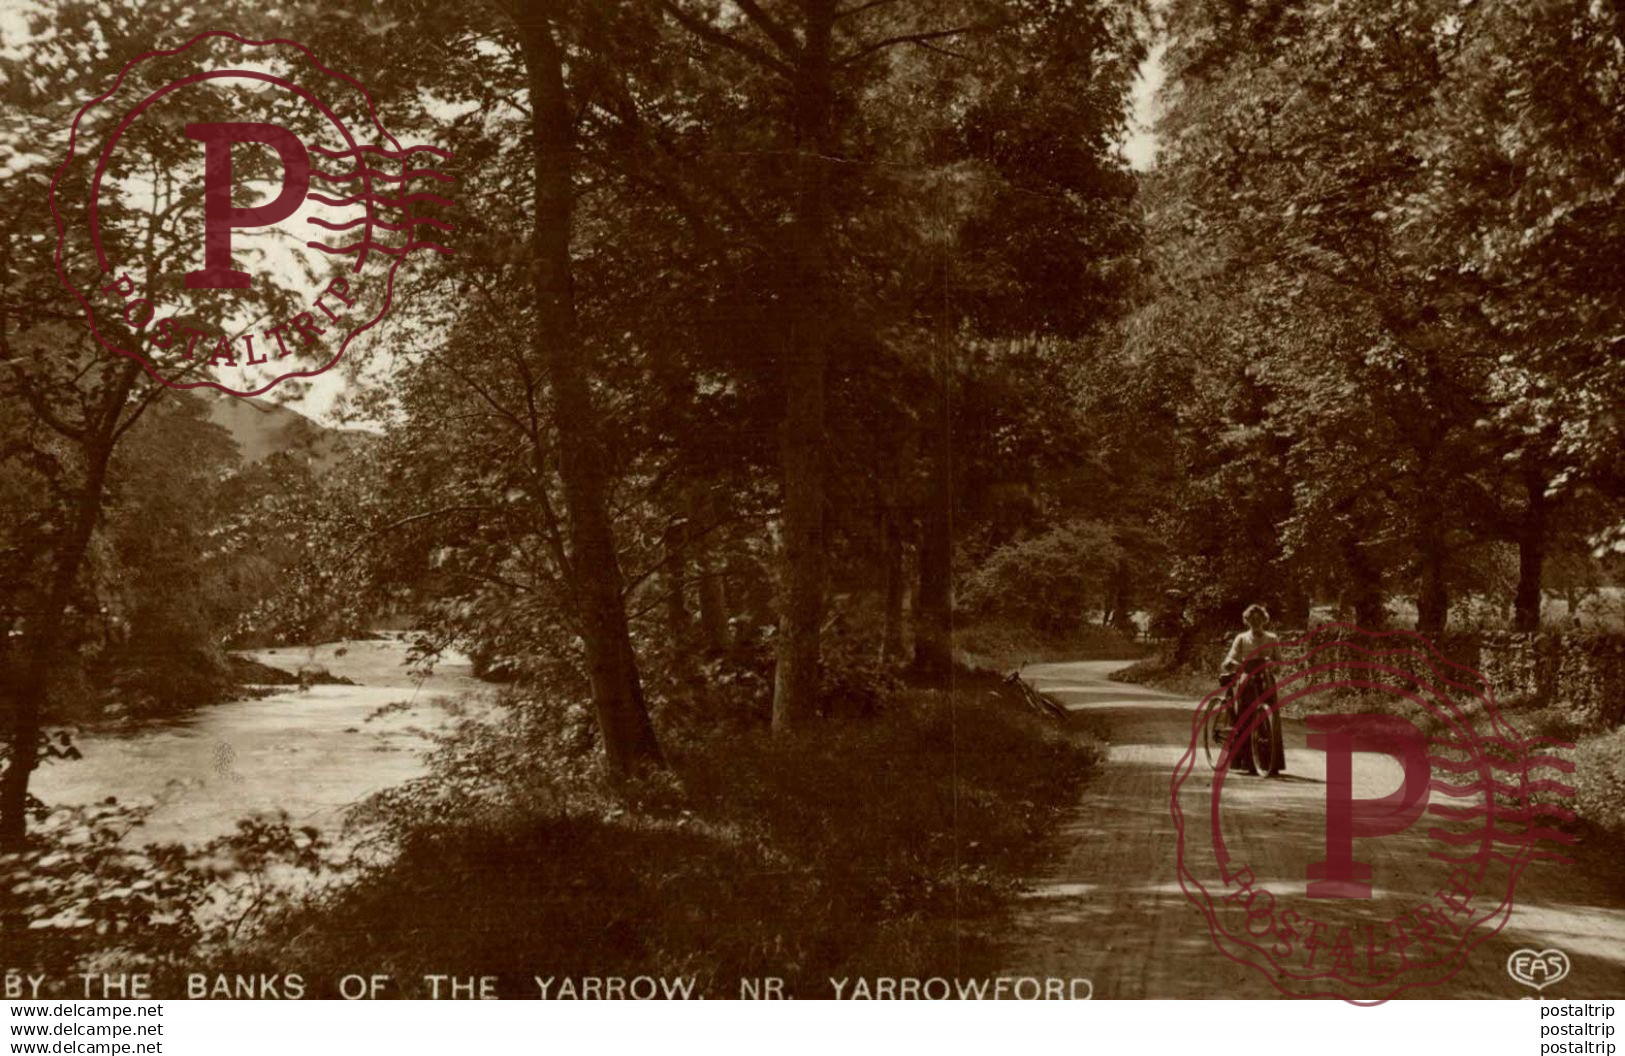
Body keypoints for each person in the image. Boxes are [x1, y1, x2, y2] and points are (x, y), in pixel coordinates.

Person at [1219, 603, 1287, 776]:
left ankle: (1270, 761)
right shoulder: (1241, 638)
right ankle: (1247, 762)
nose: (1256, 623)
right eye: (1252, 620)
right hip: (1247, 681)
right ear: (1246, 621)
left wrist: (1274, 665)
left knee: (1270, 718)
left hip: (1266, 681)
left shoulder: (1272, 638)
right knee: (1246, 717)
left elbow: (1279, 662)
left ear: (1264, 620)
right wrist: (1231, 664)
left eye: (1259, 620)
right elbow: (1230, 658)